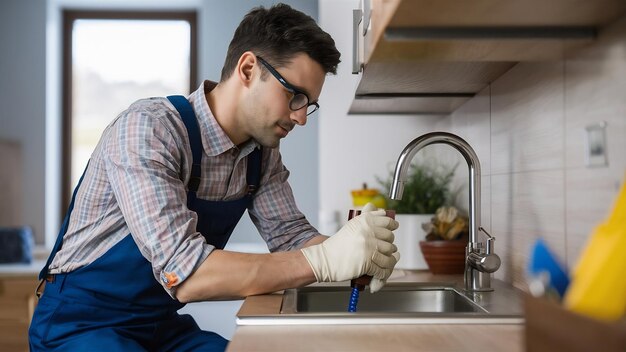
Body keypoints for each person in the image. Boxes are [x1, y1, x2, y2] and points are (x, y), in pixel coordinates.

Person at [29, 3, 399, 351]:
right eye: (295, 96)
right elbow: (187, 274)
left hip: (159, 326)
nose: (301, 117)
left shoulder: (261, 152)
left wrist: (360, 249)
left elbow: (291, 238)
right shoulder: (149, 129)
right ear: (249, 69)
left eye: (309, 105)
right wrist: (324, 260)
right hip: (80, 325)